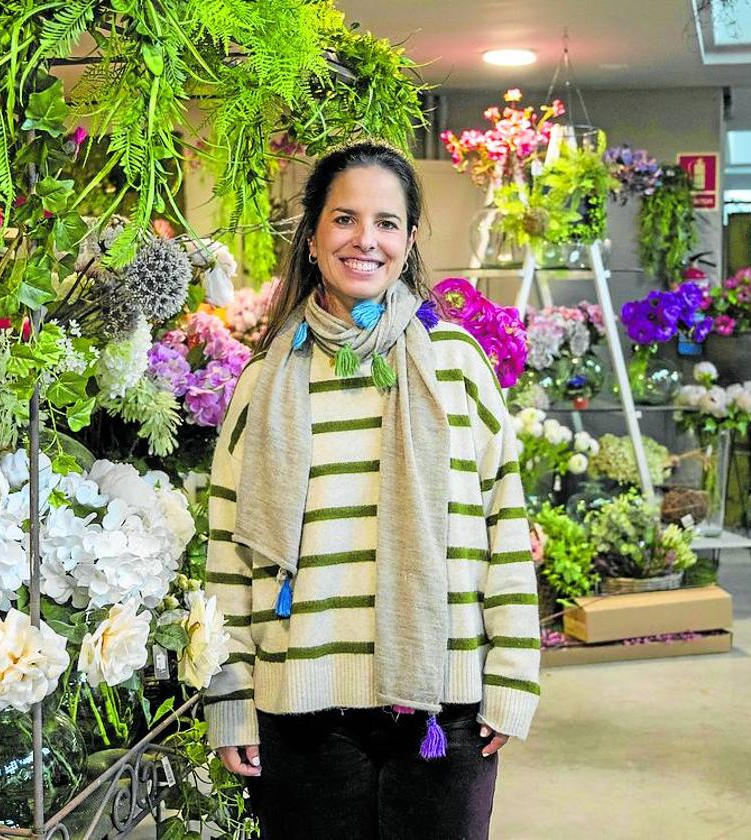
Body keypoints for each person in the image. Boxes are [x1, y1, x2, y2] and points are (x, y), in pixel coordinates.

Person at [203, 140, 540, 840]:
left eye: (387, 222)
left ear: (410, 239)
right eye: (345, 218)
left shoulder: (456, 365)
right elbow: (228, 555)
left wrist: (510, 678)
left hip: (444, 714)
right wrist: (230, 696)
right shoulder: (265, 384)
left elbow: (506, 523)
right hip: (301, 712)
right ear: (314, 237)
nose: (366, 239)